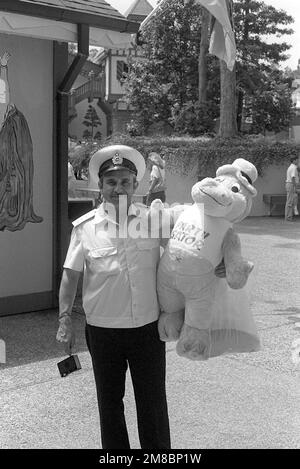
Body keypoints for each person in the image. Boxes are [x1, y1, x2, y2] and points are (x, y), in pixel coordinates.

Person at [56, 144, 171, 449]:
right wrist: (63, 318)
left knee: (153, 403)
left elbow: (184, 254)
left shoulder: (153, 219)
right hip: (103, 330)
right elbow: (71, 274)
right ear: (101, 186)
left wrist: (219, 262)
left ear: (135, 185)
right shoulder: (85, 228)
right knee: (109, 404)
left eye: (124, 182)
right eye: (111, 182)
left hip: (148, 328)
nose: (118, 188)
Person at [285, 155, 299, 221]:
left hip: (290, 184)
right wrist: (295, 187)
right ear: (293, 160)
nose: (298, 161)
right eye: (297, 160)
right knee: (290, 201)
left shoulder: (292, 167)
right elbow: (293, 177)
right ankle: (288, 217)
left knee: (291, 200)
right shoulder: (293, 168)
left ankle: (289, 217)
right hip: (291, 184)